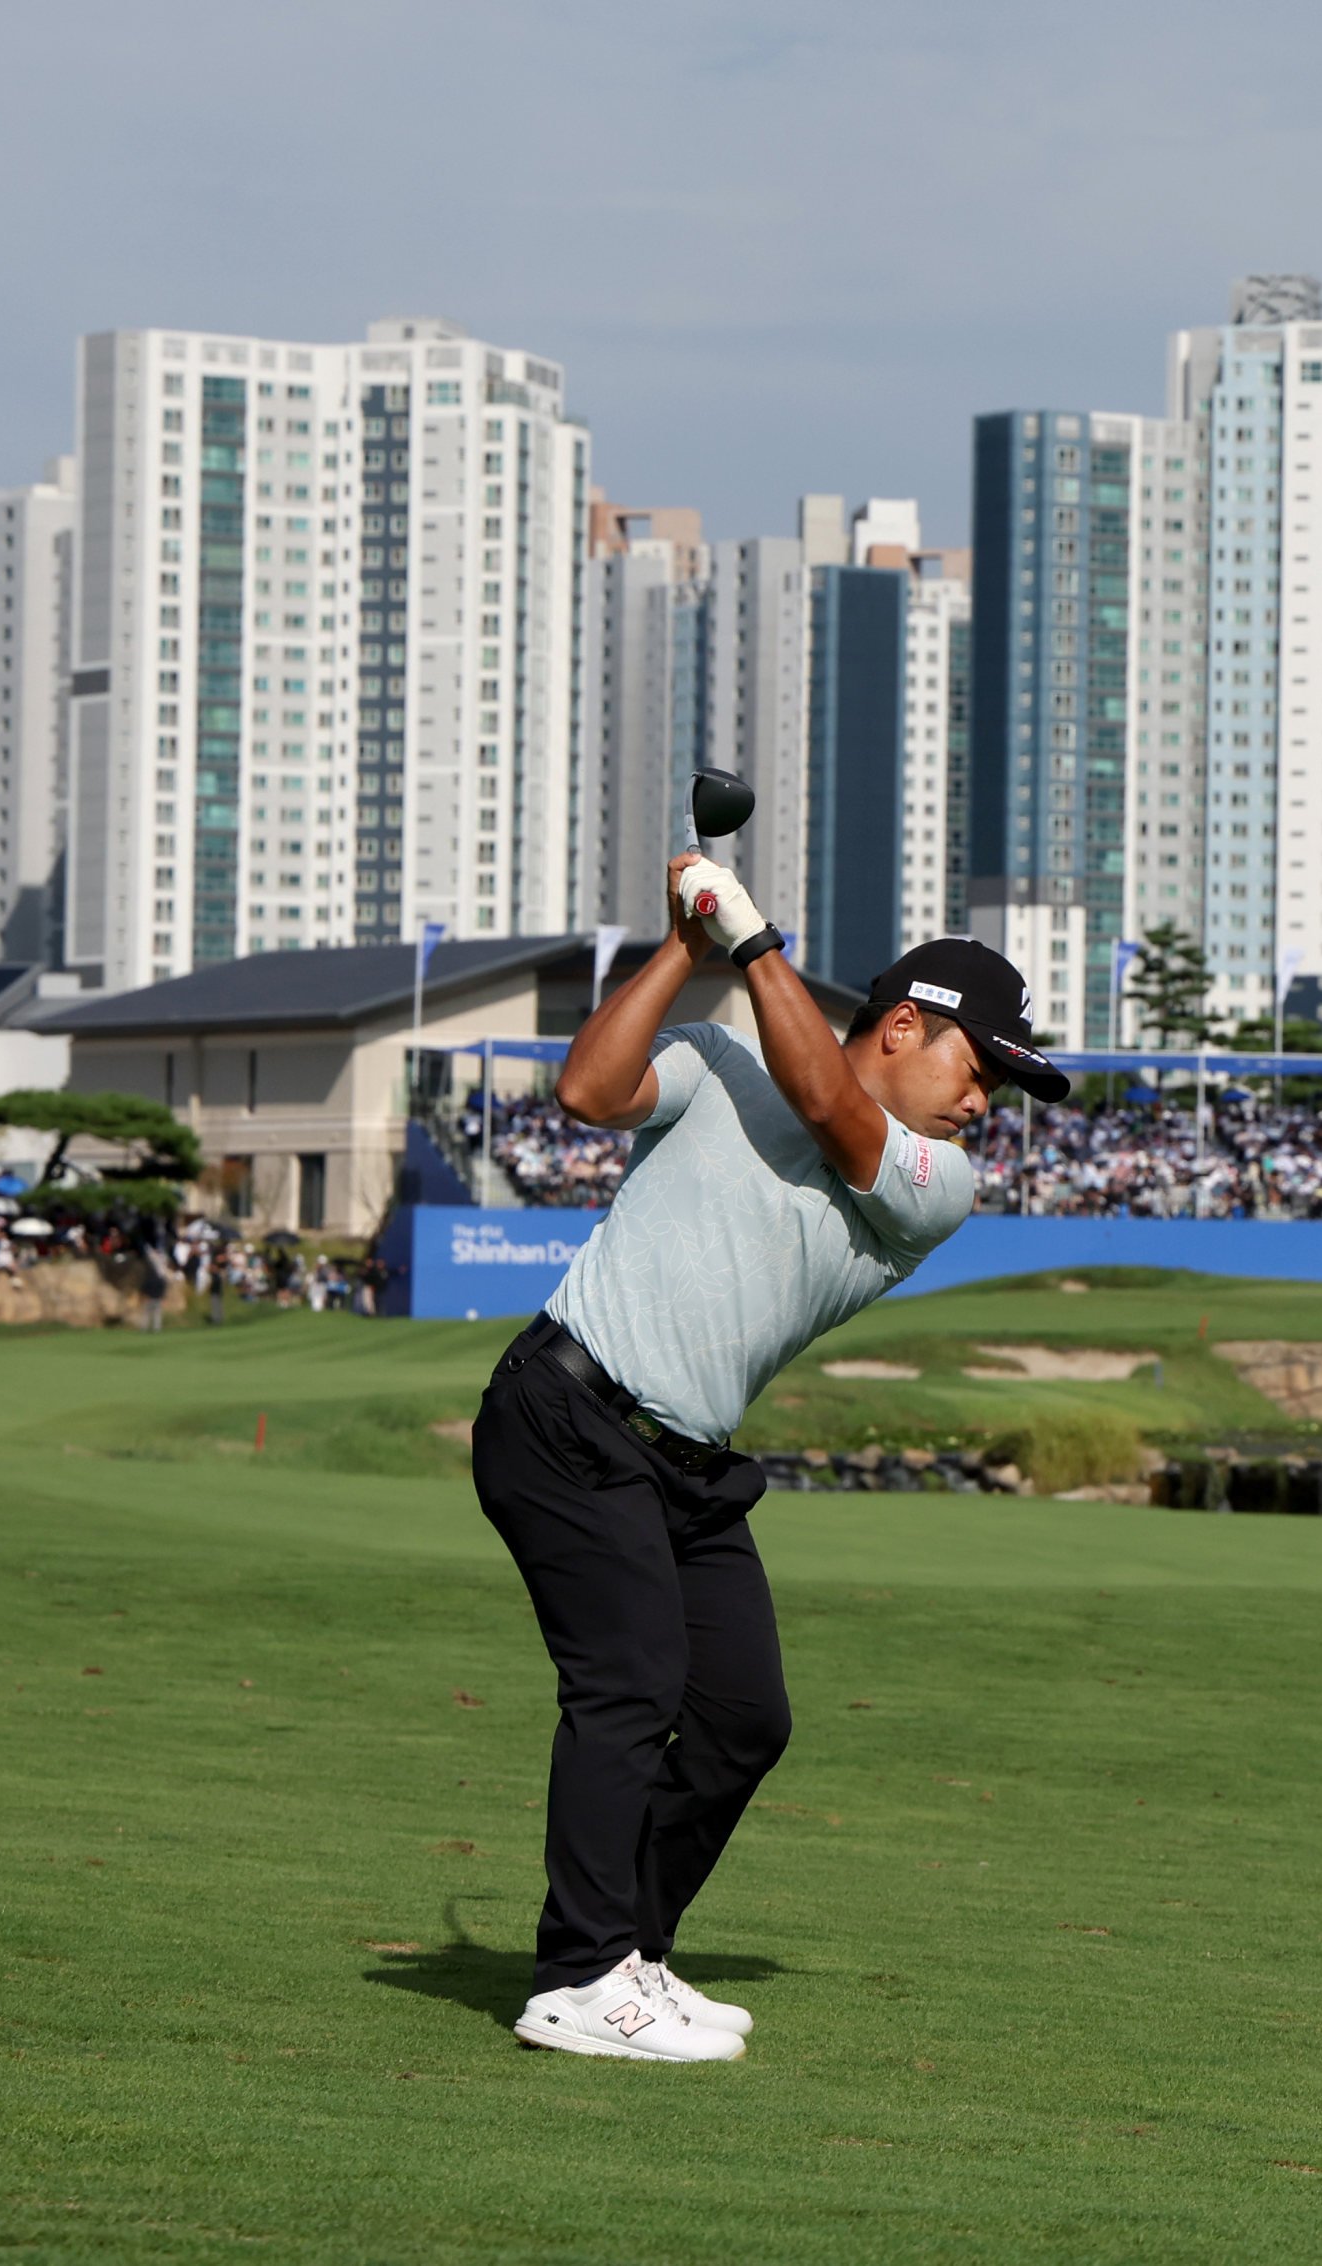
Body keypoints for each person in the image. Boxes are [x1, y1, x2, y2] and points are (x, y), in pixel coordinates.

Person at [473, 854, 1067, 2066]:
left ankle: (629, 1952)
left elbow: (835, 1111)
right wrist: (689, 949)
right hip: (568, 1411)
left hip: (686, 1462)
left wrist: (750, 938)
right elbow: (589, 1092)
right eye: (982, 1070)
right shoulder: (719, 1065)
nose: (986, 1106)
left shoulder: (936, 1185)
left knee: (745, 1718)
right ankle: (579, 1976)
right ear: (904, 1025)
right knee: (632, 1684)